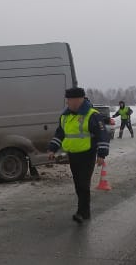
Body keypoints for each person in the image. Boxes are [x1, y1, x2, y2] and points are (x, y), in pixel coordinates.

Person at [47, 87, 109, 223]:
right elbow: (60, 134)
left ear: (78, 100)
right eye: (67, 99)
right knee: (77, 183)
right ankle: (83, 210)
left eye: (69, 100)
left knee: (83, 183)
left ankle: (83, 212)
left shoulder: (92, 115)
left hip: (88, 154)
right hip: (73, 154)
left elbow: (102, 135)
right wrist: (52, 149)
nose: (67, 102)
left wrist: (101, 154)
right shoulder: (65, 116)